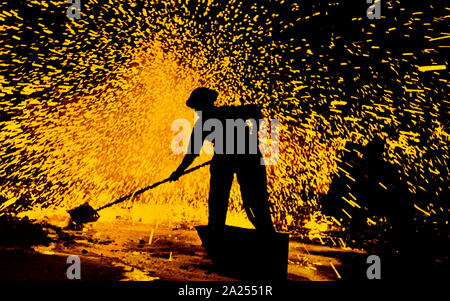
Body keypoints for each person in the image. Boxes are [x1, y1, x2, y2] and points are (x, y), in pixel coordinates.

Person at [169, 87, 275, 232]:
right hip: (235, 157)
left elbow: (255, 110)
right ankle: (219, 229)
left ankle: (265, 234)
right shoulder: (210, 121)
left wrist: (253, 136)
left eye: (197, 107)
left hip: (248, 158)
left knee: (252, 199)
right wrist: (178, 171)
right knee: (223, 198)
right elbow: (192, 153)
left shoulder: (225, 113)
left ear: (206, 104)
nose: (196, 111)